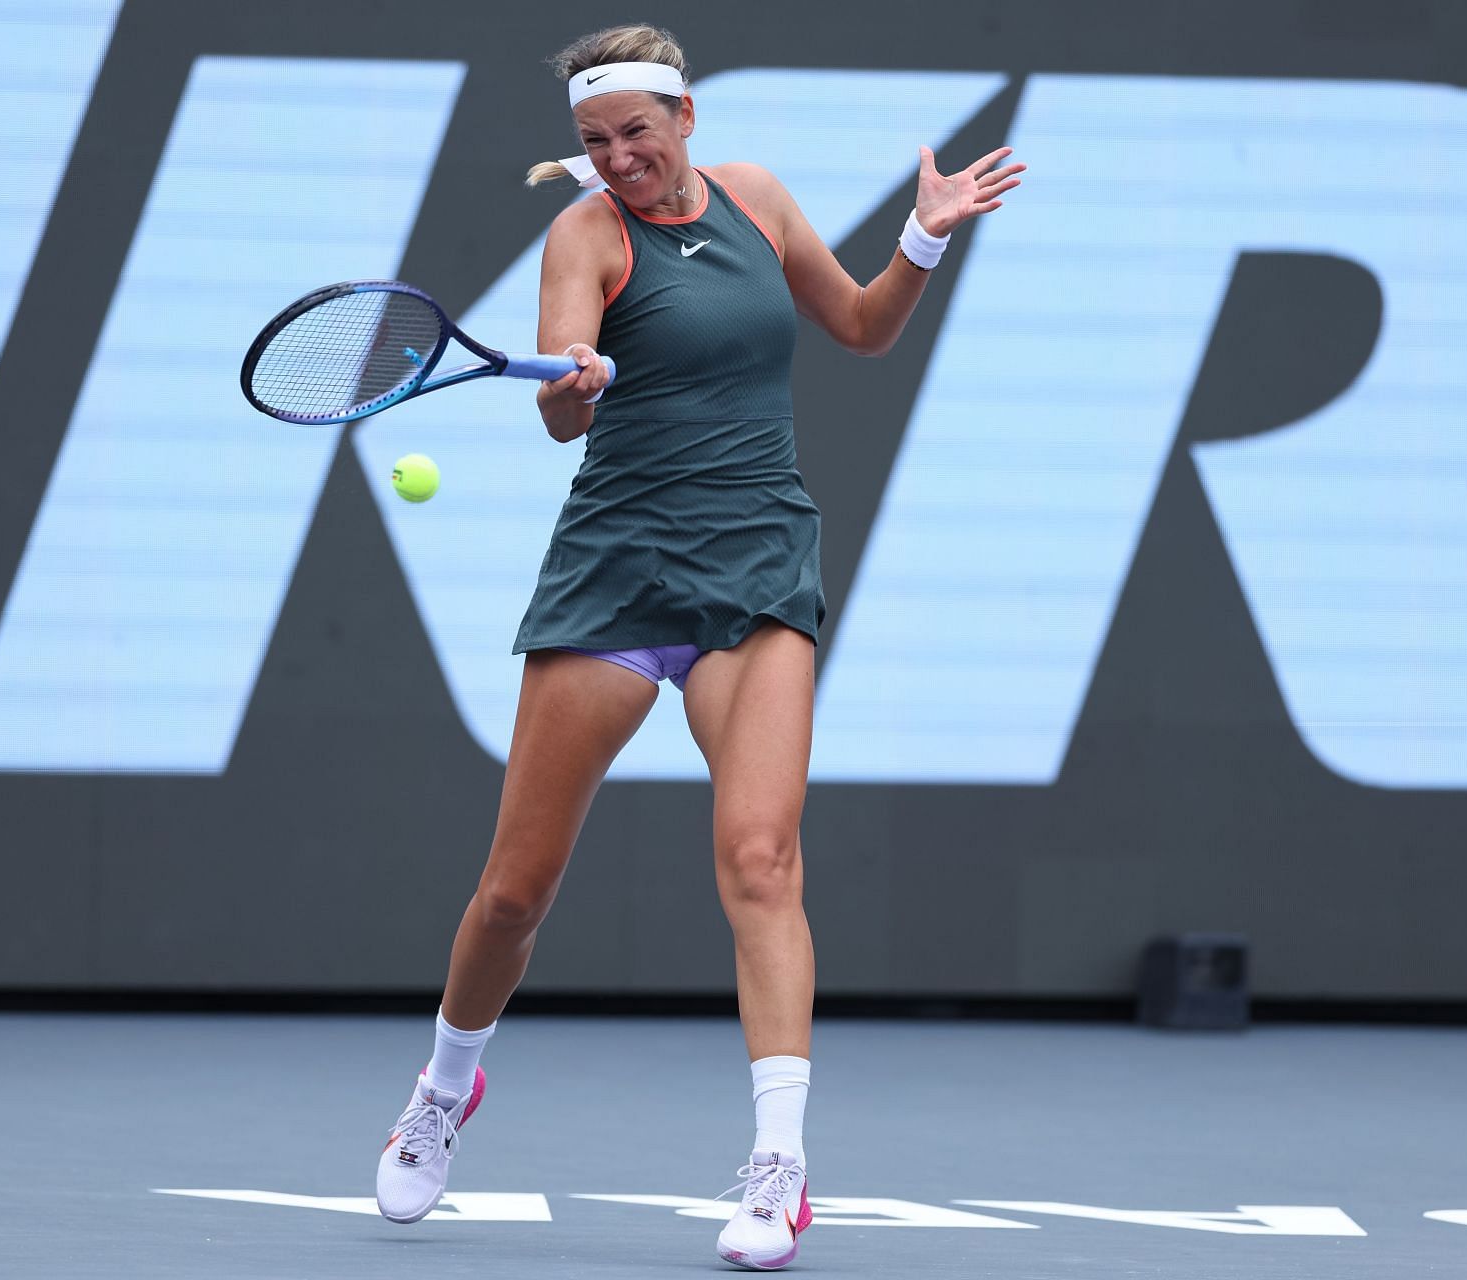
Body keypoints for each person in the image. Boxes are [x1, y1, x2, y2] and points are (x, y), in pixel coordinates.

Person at [373, 23, 1023, 1271]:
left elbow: (867, 329)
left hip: (757, 566)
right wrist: (576, 381)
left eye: (636, 131)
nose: (617, 156)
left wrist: (926, 235)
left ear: (684, 116)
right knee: (515, 890)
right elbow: (564, 421)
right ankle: (446, 1087)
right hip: (619, 575)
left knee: (764, 859)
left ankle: (779, 1164)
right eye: (594, 141)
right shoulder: (584, 238)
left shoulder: (761, 201)